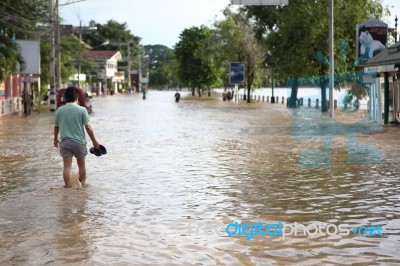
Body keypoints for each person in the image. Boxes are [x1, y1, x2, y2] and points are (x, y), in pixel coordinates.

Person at [53, 86, 100, 188]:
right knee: (81, 165)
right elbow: (88, 128)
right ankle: (82, 186)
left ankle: (67, 188)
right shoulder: (82, 110)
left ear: (65, 98)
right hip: (79, 142)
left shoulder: (59, 110)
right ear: (77, 98)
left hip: (65, 142)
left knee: (66, 167)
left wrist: (55, 138)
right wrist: (95, 141)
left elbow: (56, 127)